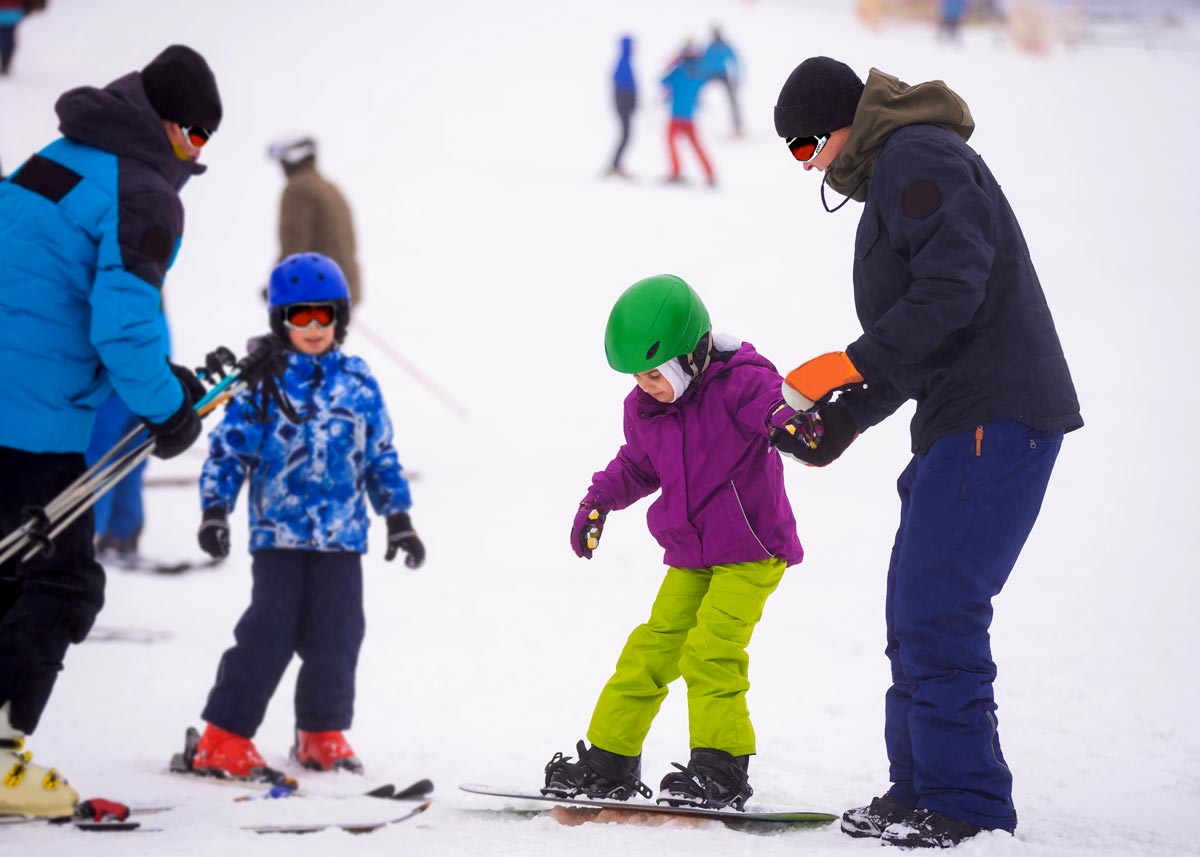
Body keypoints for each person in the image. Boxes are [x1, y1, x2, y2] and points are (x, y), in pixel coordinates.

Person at [770, 57, 1082, 847]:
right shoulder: (897, 176)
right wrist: (846, 417)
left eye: (808, 141)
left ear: (847, 119)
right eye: (792, 152)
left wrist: (846, 362)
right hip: (958, 418)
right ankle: (918, 787)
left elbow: (953, 287)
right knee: (912, 608)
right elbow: (920, 340)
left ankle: (965, 798)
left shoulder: (919, 156)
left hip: (997, 412)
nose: (808, 161)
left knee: (938, 604)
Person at [0, 43, 220, 817]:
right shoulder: (143, 191)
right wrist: (167, 410)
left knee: (5, 570)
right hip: (34, 420)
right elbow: (125, 329)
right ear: (169, 124)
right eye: (196, 137)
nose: (197, 156)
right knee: (59, 581)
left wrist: (163, 388)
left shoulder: (55, 157)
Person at [544, 274, 804, 810]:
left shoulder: (743, 383)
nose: (645, 385)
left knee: (711, 651)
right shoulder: (646, 407)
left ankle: (721, 767)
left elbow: (777, 411)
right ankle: (609, 758)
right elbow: (637, 465)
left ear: (692, 355)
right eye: (637, 376)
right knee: (652, 647)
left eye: (654, 374)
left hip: (751, 550)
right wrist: (597, 502)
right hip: (692, 552)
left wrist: (790, 422)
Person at [187, 253, 424, 780]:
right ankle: (221, 736)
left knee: (338, 636)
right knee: (268, 632)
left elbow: (380, 454)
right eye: (300, 317)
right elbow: (229, 451)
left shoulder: (358, 381)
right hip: (280, 537)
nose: (314, 328)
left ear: (339, 318)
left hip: (343, 539)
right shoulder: (262, 382)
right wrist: (214, 510)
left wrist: (399, 518)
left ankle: (321, 732)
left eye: (324, 316)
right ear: (281, 321)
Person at [267, 136, 362, 307]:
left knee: (304, 332)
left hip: (315, 290)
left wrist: (278, 283)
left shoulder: (298, 189)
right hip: (344, 286)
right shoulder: (328, 186)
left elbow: (294, 243)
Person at [660, 43, 715, 187]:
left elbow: (662, 81)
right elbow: (703, 81)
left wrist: (673, 61)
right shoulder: (697, 73)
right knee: (697, 146)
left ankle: (676, 172)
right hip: (689, 117)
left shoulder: (678, 71)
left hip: (676, 117)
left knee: (671, 143)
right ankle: (710, 174)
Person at [702, 26, 743, 137]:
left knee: (732, 100)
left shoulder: (725, 46)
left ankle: (738, 126)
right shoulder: (710, 47)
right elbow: (703, 60)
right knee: (694, 92)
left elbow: (735, 61)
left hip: (723, 75)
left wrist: (737, 78)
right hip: (710, 75)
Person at [606, 34, 637, 178]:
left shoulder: (626, 62)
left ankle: (616, 164)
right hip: (623, 106)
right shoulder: (624, 62)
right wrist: (629, 102)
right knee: (625, 135)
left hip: (624, 105)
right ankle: (615, 165)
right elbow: (622, 87)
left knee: (625, 135)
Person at [0, 0, 42, 77]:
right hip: (15, 11)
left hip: (7, 10)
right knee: (8, 35)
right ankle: (5, 63)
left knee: (5, 35)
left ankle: (5, 63)